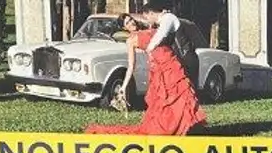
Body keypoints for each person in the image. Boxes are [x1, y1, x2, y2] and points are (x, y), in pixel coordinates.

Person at [86, 4, 206, 137]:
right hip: (158, 67)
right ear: (124, 28)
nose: (131, 22)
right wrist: (124, 87)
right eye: (127, 23)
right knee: (165, 100)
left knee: (183, 93)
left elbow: (163, 25)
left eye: (131, 19)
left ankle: (186, 125)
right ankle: (170, 127)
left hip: (171, 61)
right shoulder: (130, 40)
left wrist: (162, 12)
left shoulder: (150, 26)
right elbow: (131, 66)